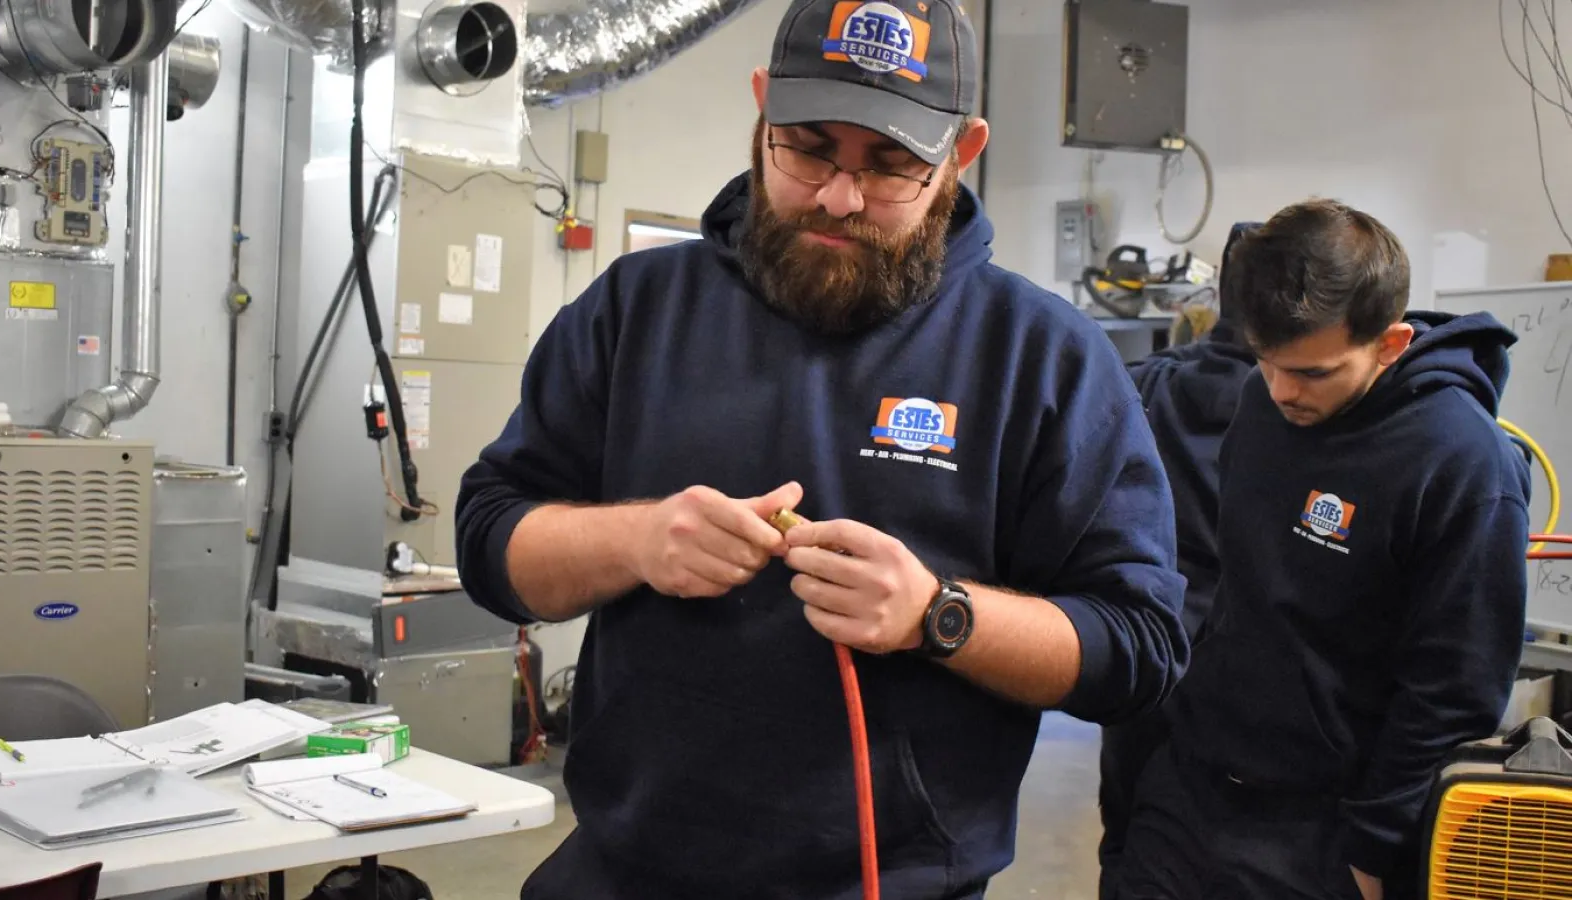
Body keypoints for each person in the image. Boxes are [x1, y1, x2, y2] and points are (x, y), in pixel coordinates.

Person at [453, 0, 1190, 896]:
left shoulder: (1044, 359)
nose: (840, 199)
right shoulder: (634, 312)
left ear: (962, 151)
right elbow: (491, 543)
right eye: (808, 149)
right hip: (624, 871)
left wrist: (939, 615)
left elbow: (1141, 648)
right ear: (760, 109)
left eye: (891, 167)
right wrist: (637, 542)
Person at [1115, 199, 1531, 900]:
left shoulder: (1462, 464)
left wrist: (1371, 854)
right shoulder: (1261, 400)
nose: (1281, 391)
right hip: (1193, 788)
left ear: (1391, 343)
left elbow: (1453, 689)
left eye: (1313, 373)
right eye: (1267, 362)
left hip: (1324, 834)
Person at [1095, 221, 1259, 898]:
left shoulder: (1150, 386)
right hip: (1250, 678)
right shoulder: (1308, 407)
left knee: (1131, 842)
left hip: (1150, 655)